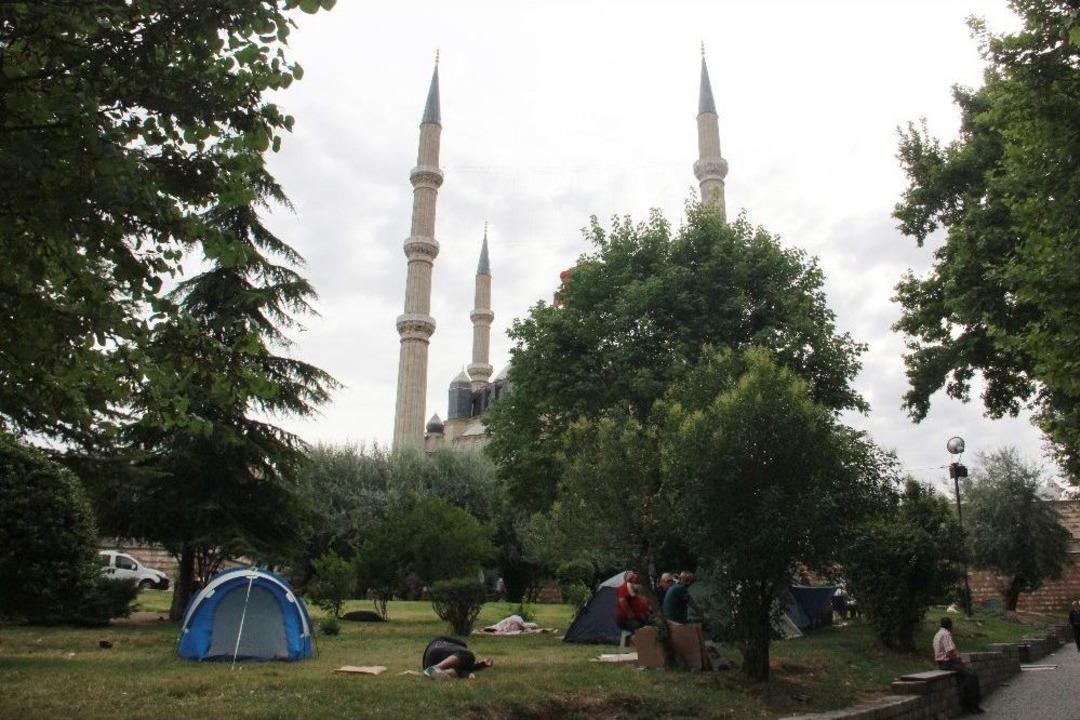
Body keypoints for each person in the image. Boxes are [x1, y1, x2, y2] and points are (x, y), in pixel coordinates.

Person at [933, 617, 983, 714]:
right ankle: (971, 704)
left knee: (970, 675)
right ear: (950, 626)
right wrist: (960, 662)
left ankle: (973, 704)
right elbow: (951, 652)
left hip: (942, 663)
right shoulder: (946, 634)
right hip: (948, 663)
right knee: (972, 676)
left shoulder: (938, 634)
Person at [421, 636, 493, 680]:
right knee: (468, 655)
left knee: (462, 670)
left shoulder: (456, 657)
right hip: (436, 650)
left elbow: (466, 665)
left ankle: (435, 672)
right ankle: (435, 668)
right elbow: (463, 645)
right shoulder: (446, 642)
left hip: (427, 662)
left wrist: (481, 664)